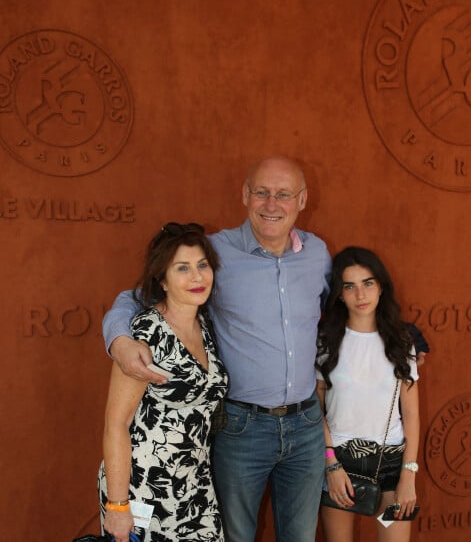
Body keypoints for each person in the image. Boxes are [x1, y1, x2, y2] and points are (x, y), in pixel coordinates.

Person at [102, 156, 332, 542]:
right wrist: (119, 340)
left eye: (283, 195)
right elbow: (138, 295)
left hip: (306, 425)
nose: (271, 204)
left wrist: (399, 344)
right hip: (243, 428)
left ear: (302, 200)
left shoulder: (317, 254)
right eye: (261, 192)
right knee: (236, 536)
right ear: (245, 195)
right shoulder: (214, 254)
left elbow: (340, 313)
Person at [98, 222, 229, 542]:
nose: (197, 276)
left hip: (195, 485)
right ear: (163, 279)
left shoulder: (205, 324)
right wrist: (117, 507)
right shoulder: (145, 332)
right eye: (182, 268)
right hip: (144, 488)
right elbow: (117, 422)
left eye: (202, 265)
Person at [316, 247, 420, 542]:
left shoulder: (401, 341)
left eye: (368, 283)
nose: (360, 295)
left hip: (391, 467)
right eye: (349, 286)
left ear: (381, 286)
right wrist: (331, 465)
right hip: (340, 466)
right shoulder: (326, 342)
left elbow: (411, 414)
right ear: (338, 294)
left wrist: (408, 476)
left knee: (394, 536)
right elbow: (316, 409)